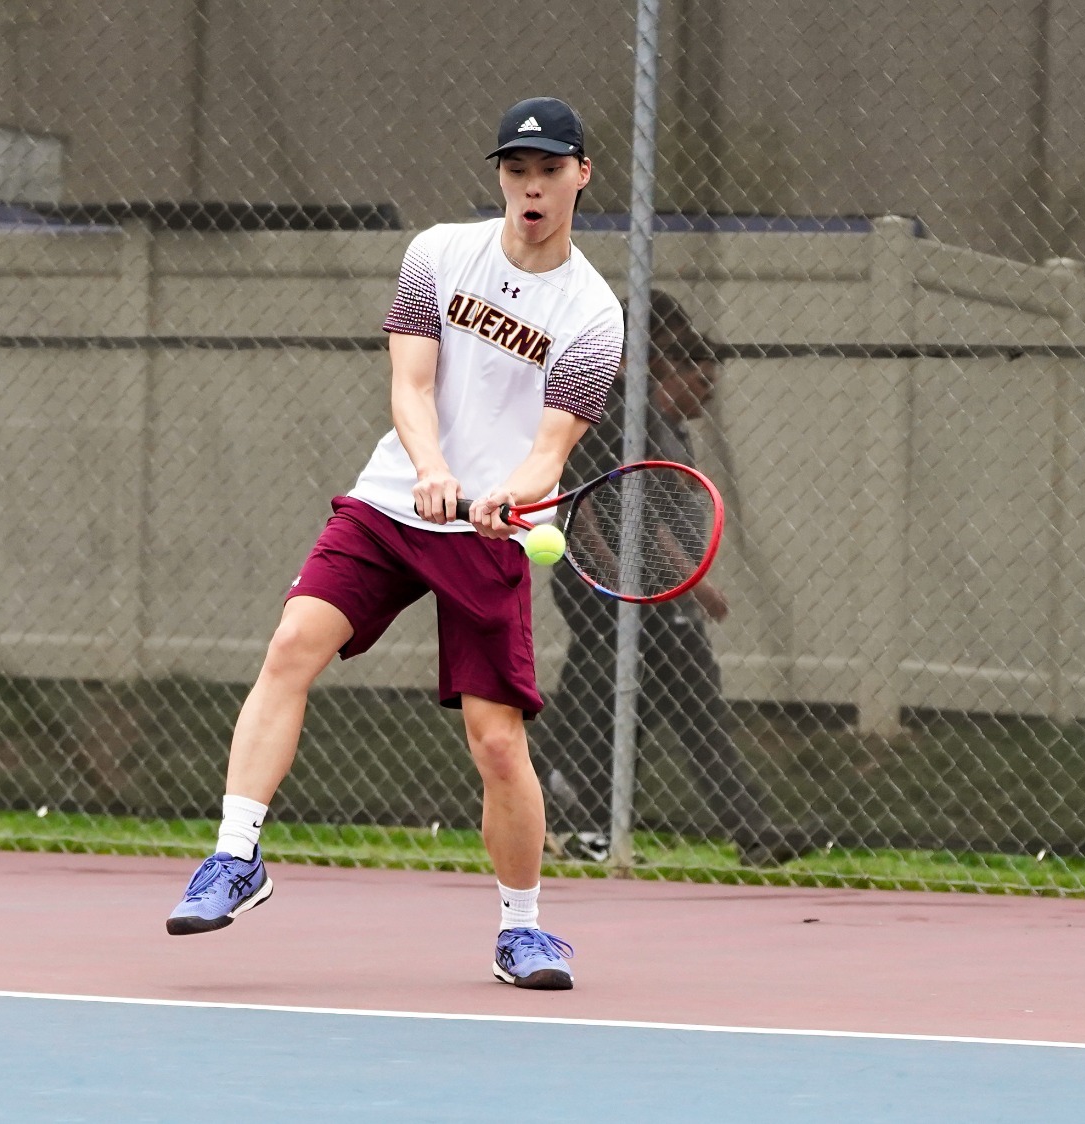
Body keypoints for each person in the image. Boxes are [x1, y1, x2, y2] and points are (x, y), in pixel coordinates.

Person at [165, 97, 623, 992]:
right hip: (391, 504)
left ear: (581, 176)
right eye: (516, 171)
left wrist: (504, 497)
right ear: (501, 177)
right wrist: (430, 467)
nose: (531, 187)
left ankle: (523, 931)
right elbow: (410, 387)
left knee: (497, 744)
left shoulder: (594, 315)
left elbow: (549, 451)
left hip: (495, 530)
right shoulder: (437, 253)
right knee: (293, 643)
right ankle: (234, 858)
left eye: (549, 171)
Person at [535, 290, 810, 868]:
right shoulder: (608, 413)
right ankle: (576, 812)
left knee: (616, 702)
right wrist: (635, 580)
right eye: (669, 346)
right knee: (644, 701)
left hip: (647, 590)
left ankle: (564, 806)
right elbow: (586, 506)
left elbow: (649, 509)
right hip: (618, 589)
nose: (705, 396)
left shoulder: (647, 418)